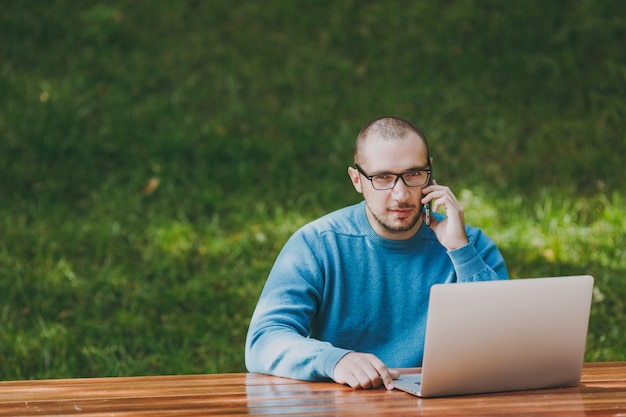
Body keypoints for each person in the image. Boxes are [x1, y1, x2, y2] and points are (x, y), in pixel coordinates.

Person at [245, 116, 508, 390]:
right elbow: (264, 339)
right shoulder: (318, 244)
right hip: (350, 404)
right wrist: (336, 360)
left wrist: (460, 251)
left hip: (447, 403)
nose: (401, 195)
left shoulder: (471, 246)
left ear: (430, 172)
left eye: (413, 174)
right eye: (382, 177)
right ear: (357, 179)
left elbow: (505, 343)